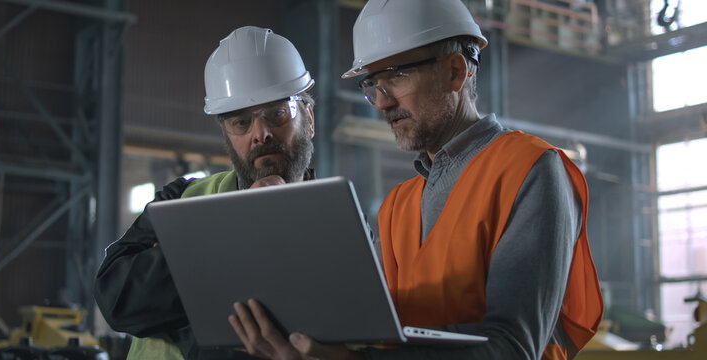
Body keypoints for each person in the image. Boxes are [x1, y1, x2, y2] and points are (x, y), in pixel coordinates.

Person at [229, 1, 604, 359]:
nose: (381, 101)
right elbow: (367, 326)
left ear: (456, 71)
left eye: (396, 76)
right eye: (373, 82)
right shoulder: (398, 206)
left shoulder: (531, 168)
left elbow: (512, 349)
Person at [94, 26, 316, 360]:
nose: (261, 134)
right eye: (241, 122)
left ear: (309, 119)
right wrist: (236, 227)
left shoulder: (341, 227)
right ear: (227, 135)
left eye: (277, 113)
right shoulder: (181, 199)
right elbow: (118, 300)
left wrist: (183, 261)